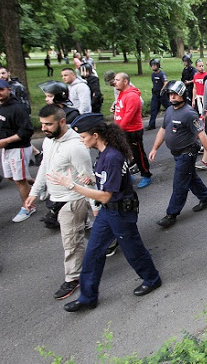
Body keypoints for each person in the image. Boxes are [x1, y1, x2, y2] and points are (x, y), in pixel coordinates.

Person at [46, 113, 162, 312]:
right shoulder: (105, 153)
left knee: (133, 251)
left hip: (119, 213)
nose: (81, 140)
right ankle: (88, 297)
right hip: (109, 213)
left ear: (96, 135)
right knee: (93, 254)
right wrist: (90, 180)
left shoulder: (111, 157)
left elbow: (106, 196)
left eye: (83, 137)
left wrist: (71, 185)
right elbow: (106, 184)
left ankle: (152, 279)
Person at [24, 105, 94, 300]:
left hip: (72, 200)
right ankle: (111, 239)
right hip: (56, 198)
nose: (44, 128)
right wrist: (34, 192)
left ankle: (73, 278)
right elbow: (45, 166)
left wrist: (95, 205)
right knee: (84, 229)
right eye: (42, 124)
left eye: (48, 124)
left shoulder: (76, 146)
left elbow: (88, 178)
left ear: (62, 122)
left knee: (71, 242)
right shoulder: (49, 141)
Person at [149, 81, 207, 228]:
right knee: (190, 177)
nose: (172, 97)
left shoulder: (189, 113)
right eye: (170, 94)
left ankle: (171, 214)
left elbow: (202, 135)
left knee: (180, 184)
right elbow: (162, 130)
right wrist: (155, 148)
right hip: (176, 153)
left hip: (187, 154)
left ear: (182, 95)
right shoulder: (169, 110)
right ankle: (205, 199)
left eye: (175, 94)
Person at [0, 79, 35, 222]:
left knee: (19, 180)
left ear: (8, 89)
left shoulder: (18, 108)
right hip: (6, 149)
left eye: (1, 90)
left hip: (18, 148)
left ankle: (28, 207)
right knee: (11, 177)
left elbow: (27, 130)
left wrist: (6, 141)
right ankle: (39, 185)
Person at [113, 72, 153, 188]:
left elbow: (129, 116)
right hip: (122, 130)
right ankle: (127, 175)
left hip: (133, 131)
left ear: (125, 81)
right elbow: (121, 109)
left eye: (117, 80)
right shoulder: (122, 93)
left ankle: (146, 175)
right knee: (123, 153)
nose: (114, 82)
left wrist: (117, 129)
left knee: (138, 154)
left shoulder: (132, 96)